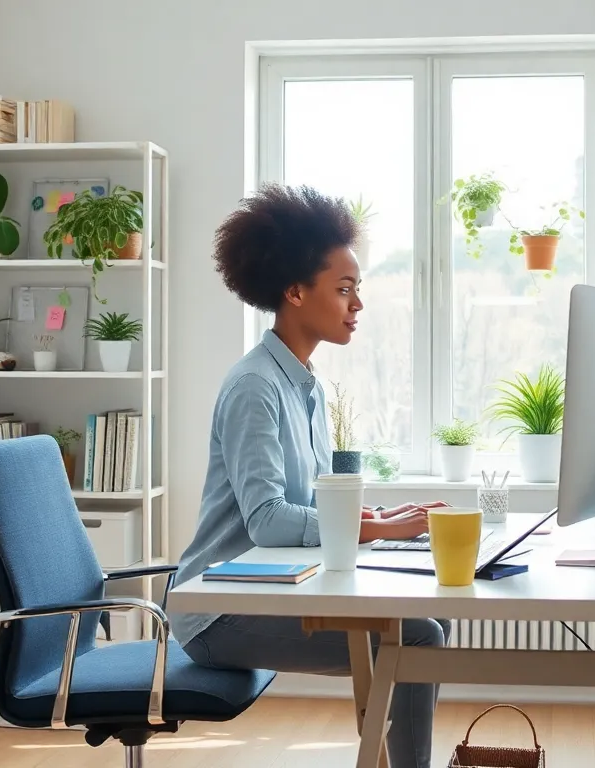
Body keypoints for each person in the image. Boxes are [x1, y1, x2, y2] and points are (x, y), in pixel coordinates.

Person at [169, 183, 450, 768]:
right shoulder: (255, 388)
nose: (357, 304)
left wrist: (374, 518)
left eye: (357, 289)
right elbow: (270, 522)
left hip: (274, 588)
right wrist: (376, 532)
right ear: (295, 292)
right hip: (218, 612)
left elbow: (313, 506)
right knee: (419, 637)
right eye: (343, 289)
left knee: (428, 618)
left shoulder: (305, 385)